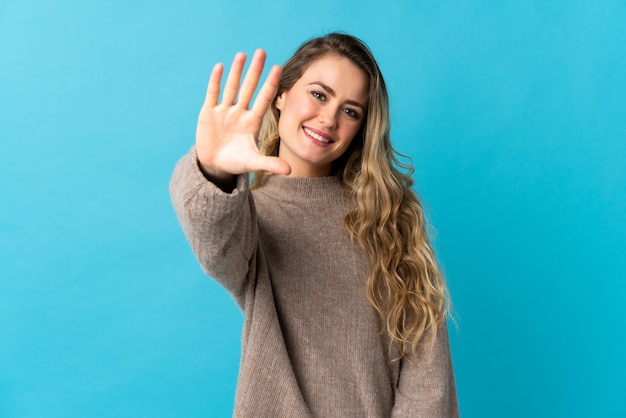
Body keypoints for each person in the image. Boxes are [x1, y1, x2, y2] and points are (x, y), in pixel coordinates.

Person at [170, 33, 458, 417]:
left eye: (351, 111)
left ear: (362, 129)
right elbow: (212, 237)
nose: (329, 118)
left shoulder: (389, 217)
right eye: (319, 95)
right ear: (281, 95)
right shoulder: (248, 217)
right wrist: (214, 169)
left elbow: (427, 366)